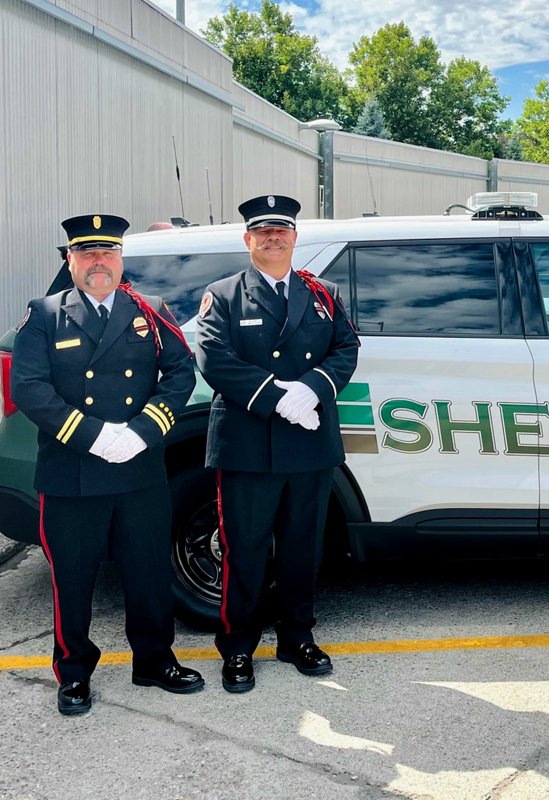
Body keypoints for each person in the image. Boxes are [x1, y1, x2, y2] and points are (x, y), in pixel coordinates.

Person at [11, 214, 203, 715]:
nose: (99, 262)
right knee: (72, 581)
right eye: (87, 253)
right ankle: (74, 673)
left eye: (108, 252)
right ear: (71, 260)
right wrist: (93, 436)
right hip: (72, 471)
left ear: (120, 258)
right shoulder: (44, 314)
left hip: (138, 469)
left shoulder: (150, 309)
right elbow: (28, 387)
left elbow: (180, 373)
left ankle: (154, 660)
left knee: (148, 573)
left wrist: (142, 431)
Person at [195, 195, 359, 693]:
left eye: (281, 230)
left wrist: (312, 388)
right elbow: (213, 357)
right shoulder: (224, 294)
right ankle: (237, 647)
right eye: (263, 230)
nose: (273, 237)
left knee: (302, 547)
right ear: (248, 239)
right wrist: (276, 398)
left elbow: (346, 347)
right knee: (243, 550)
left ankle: (297, 637)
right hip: (248, 443)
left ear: (294, 237)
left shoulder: (323, 293)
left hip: (309, 442)